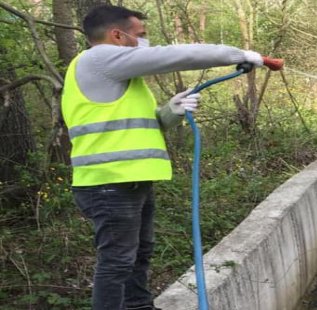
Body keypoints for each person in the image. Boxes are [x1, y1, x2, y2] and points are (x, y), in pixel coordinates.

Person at [61, 5, 264, 310]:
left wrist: (172, 111)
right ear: (117, 35)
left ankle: (140, 307)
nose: (146, 42)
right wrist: (236, 53)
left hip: (129, 181)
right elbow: (174, 56)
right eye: (140, 35)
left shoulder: (121, 78)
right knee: (117, 262)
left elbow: (146, 126)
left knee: (138, 254)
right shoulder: (98, 58)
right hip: (108, 183)